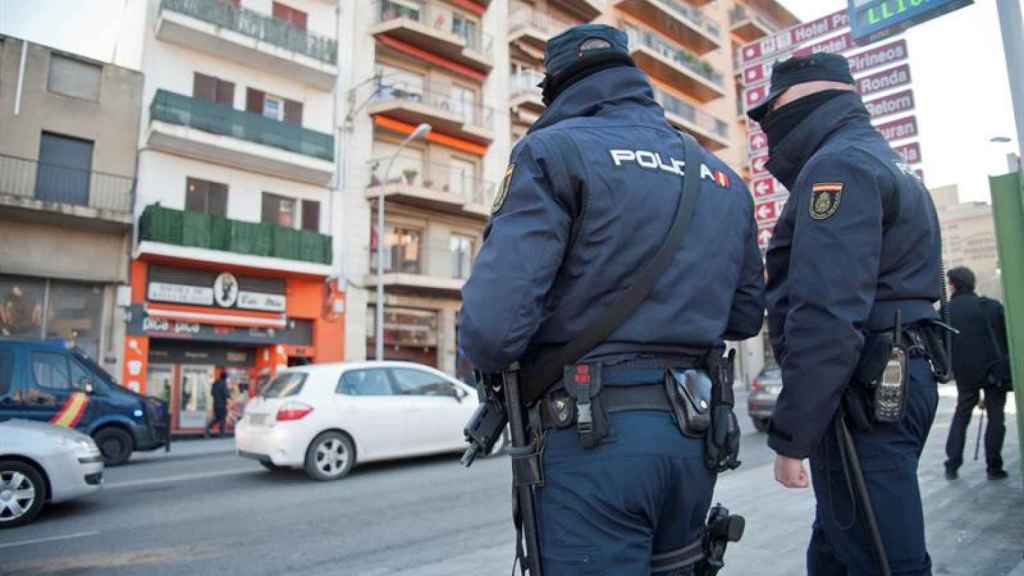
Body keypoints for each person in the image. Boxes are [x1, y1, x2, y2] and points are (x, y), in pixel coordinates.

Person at [460, 24, 764, 575]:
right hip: (695, 434)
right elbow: (744, 316)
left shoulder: (552, 152)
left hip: (592, 440)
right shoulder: (721, 176)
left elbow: (492, 330)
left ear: (553, 91)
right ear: (634, 79)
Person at [748, 53, 944, 576]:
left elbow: (827, 315)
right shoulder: (880, 159)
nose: (769, 124)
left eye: (775, 106)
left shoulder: (837, 167)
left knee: (883, 559)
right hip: (894, 373)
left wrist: (793, 436)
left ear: (804, 100)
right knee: (839, 546)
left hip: (864, 388)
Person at [943, 266, 1010, 480]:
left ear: (952, 285)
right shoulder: (990, 306)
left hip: (964, 374)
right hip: (994, 371)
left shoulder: (945, 312)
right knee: (996, 418)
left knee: (961, 415)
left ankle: (952, 465)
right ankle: (994, 467)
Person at [205, 371, 229, 438]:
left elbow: (212, 393)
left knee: (217, 418)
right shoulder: (223, 384)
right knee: (222, 419)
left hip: (215, 404)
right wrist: (228, 395)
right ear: (225, 378)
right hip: (222, 405)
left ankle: (207, 429)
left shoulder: (215, 383)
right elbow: (226, 394)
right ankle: (222, 434)